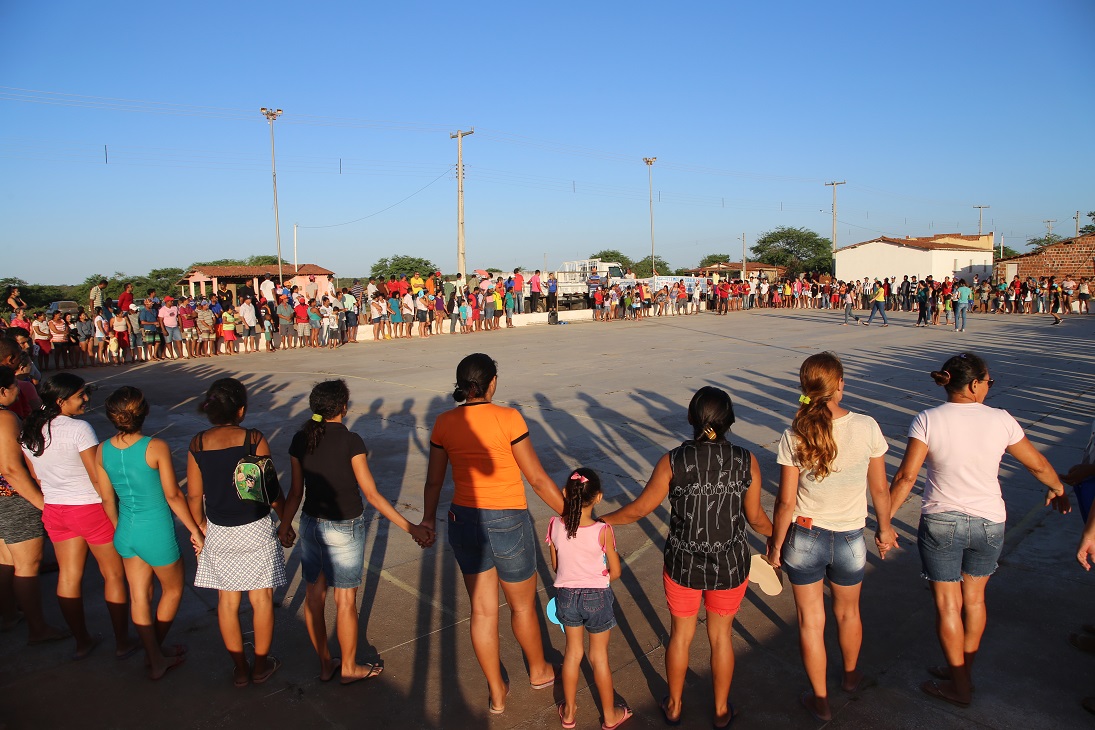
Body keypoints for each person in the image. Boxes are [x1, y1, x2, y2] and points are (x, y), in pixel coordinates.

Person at [888, 352, 1070, 708]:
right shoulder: (1001, 420)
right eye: (988, 381)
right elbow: (1037, 464)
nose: (989, 387)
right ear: (973, 384)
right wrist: (1059, 488)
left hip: (941, 521)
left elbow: (907, 476)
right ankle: (963, 674)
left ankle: (960, 684)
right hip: (989, 522)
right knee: (974, 600)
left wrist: (885, 522)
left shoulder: (928, 419)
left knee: (947, 606)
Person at [602, 387, 773, 728]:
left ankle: (675, 705)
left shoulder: (674, 460)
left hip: (683, 564)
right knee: (721, 637)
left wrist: (600, 521)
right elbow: (755, 519)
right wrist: (782, 533)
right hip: (730, 564)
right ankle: (722, 710)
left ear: (691, 418)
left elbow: (639, 509)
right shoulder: (745, 459)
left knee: (680, 635)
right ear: (730, 421)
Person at [420, 353, 563, 714]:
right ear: (492, 382)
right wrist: (573, 517)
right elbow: (537, 478)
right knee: (522, 606)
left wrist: (425, 519)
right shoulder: (508, 418)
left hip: (463, 519)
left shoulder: (443, 423)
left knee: (482, 612)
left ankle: (497, 692)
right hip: (507, 520)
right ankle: (539, 670)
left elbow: (435, 480)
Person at [767, 353, 896, 722]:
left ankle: (821, 700)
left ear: (804, 388)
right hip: (852, 536)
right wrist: (884, 528)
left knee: (811, 621)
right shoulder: (868, 427)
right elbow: (880, 490)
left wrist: (776, 544)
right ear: (840, 384)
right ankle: (852, 678)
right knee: (848, 612)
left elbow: (785, 501)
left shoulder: (794, 433)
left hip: (805, 535)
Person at [279, 380, 431, 684]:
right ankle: (349, 667)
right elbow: (372, 495)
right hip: (345, 527)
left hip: (310, 524)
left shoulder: (301, 439)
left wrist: (284, 525)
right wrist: (411, 527)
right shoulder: (351, 442)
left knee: (314, 596)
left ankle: (325, 664)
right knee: (345, 601)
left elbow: (295, 491)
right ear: (343, 408)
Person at [19, 373, 138, 660]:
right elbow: (98, 476)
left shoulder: (30, 430)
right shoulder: (78, 429)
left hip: (56, 511)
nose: (86, 399)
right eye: (80, 395)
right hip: (89, 508)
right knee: (113, 575)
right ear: (61, 401)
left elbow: (35, 476)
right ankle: (122, 641)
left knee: (69, 577)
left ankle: (82, 641)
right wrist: (116, 512)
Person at [186, 378, 289, 687]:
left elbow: (193, 496)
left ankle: (240, 670)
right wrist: (286, 522)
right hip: (256, 528)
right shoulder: (254, 439)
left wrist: (198, 528)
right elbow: (269, 489)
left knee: (228, 604)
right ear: (241, 410)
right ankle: (260, 666)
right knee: (261, 601)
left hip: (219, 530)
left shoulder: (198, 444)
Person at [95, 387, 204, 679]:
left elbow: (106, 499)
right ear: (144, 412)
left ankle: (154, 654)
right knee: (173, 590)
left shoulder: (101, 450)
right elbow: (173, 495)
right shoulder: (155, 447)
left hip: (126, 531)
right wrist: (195, 530)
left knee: (140, 596)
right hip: (154, 531)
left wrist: (120, 529)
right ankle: (155, 655)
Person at [546, 468, 630, 730]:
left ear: (564, 494)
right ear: (598, 497)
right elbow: (614, 572)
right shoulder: (603, 530)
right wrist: (597, 577)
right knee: (599, 658)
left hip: (567, 597)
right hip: (597, 597)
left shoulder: (554, 525)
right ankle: (609, 715)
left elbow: (555, 564)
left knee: (572, 654)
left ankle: (569, 713)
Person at [0, 364, 65, 645]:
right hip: (13, 499)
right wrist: (43, 504)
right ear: (3, 391)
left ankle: (9, 615)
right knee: (27, 565)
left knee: (5, 562)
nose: (20, 389)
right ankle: (38, 629)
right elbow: (11, 470)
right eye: (15, 385)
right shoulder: (5, 419)